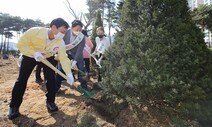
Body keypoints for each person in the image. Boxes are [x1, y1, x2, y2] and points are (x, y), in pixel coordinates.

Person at [8, 18, 74, 120]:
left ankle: (50, 102)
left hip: (48, 57)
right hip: (30, 56)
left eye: (64, 32)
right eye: (62, 31)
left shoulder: (60, 42)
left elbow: (63, 58)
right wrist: (33, 53)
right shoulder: (35, 31)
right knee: (21, 80)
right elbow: (20, 44)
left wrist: (69, 74)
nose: (63, 34)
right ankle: (14, 106)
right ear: (53, 27)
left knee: (51, 79)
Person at [55, 20, 87, 93]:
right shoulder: (65, 33)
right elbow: (59, 43)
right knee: (60, 70)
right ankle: (56, 88)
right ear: (72, 28)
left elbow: (80, 50)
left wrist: (75, 61)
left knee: (81, 69)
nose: (78, 31)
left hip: (77, 56)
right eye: (76, 29)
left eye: (80, 30)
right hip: (65, 54)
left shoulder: (81, 37)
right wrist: (58, 54)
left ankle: (84, 86)